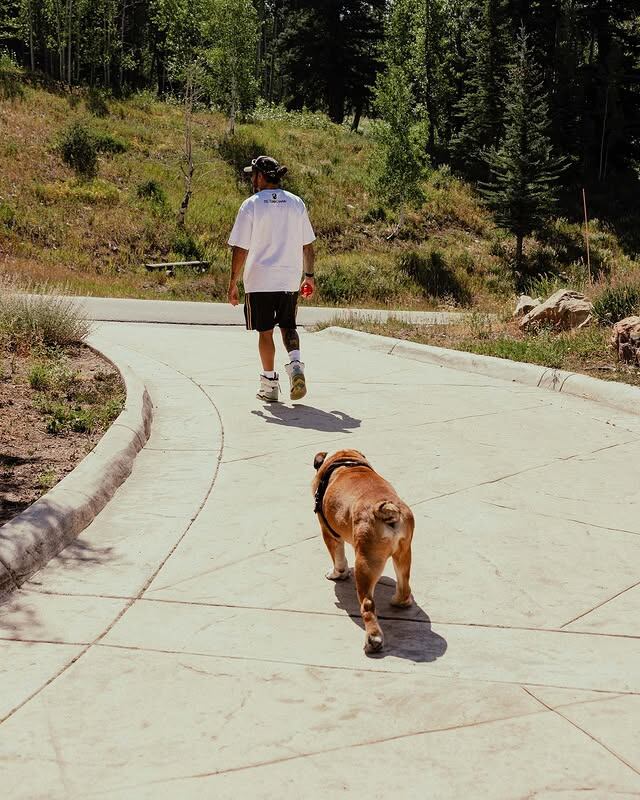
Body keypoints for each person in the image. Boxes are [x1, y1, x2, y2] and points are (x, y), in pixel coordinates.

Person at [227, 155, 316, 403]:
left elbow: (240, 248)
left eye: (253, 175)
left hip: (259, 280)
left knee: (265, 332)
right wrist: (309, 277)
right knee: (289, 326)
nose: (251, 180)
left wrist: (233, 283)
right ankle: (296, 366)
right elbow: (308, 246)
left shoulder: (251, 205)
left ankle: (269, 386)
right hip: (289, 278)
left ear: (261, 176)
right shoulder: (296, 203)